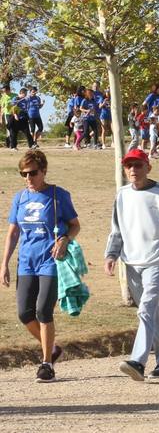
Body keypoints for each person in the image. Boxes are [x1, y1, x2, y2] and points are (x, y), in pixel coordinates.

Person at [106, 148, 159, 381]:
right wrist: (111, 255)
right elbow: (116, 228)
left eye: (138, 165)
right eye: (129, 166)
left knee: (145, 309)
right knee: (151, 312)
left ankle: (137, 361)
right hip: (130, 261)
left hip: (157, 260)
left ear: (148, 167)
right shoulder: (121, 194)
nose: (133, 170)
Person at [1, 150, 79, 382]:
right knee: (25, 313)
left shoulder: (58, 195)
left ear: (43, 171)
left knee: (43, 310)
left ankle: (47, 364)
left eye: (32, 173)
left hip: (50, 261)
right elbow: (13, 233)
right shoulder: (20, 198)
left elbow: (74, 225)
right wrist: (4, 263)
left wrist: (65, 239)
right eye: (23, 174)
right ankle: (53, 348)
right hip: (26, 262)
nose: (28, 178)